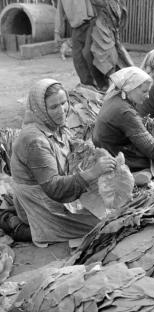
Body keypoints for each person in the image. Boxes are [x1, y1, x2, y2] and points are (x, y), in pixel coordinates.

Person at [10, 79, 116, 246]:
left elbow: (67, 143)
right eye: (53, 107)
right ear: (40, 109)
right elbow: (54, 187)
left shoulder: (53, 123)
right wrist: (93, 172)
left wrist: (88, 149)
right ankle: (14, 224)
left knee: (110, 211)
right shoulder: (35, 141)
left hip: (54, 189)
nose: (62, 110)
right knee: (103, 225)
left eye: (64, 103)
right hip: (39, 200)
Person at [54, 0, 107, 89]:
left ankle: (101, 83)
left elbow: (101, 2)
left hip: (90, 24)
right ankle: (87, 84)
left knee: (87, 53)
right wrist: (57, 32)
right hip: (76, 29)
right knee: (77, 58)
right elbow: (59, 13)